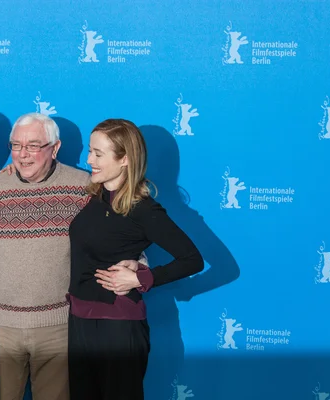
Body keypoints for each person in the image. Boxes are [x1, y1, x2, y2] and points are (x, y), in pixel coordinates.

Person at [0, 113, 147, 400]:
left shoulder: (86, 187)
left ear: (55, 148)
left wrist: (137, 266)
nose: (23, 155)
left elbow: (120, 234)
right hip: (1, 328)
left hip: (59, 327)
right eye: (16, 145)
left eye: (33, 145)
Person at [67, 118, 205, 400]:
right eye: (90, 151)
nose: (88, 159)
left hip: (118, 328)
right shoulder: (97, 197)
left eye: (97, 154)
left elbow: (193, 259)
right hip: (80, 322)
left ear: (125, 160)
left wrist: (142, 277)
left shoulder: (144, 209)